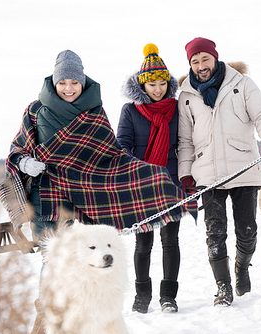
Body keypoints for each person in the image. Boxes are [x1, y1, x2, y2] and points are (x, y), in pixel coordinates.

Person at [0, 50, 196, 333]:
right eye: (63, 82)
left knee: (84, 265)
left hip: (85, 201)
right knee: (52, 262)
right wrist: (24, 162)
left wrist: (152, 179)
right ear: (54, 82)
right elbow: (16, 149)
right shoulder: (35, 110)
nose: (68, 88)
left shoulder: (94, 113)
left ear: (82, 82)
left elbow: (110, 157)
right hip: (47, 199)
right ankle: (44, 325)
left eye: (74, 83)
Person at [178, 37, 261, 307]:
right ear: (190, 64)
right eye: (195, 61)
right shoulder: (186, 96)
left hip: (243, 167)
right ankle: (223, 287)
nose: (201, 65)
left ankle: (241, 267)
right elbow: (185, 140)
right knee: (215, 234)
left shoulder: (241, 84)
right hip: (207, 173)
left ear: (215, 58)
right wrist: (186, 175)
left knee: (247, 231)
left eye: (205, 59)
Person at [117, 43, 182, 314]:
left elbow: (185, 142)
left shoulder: (178, 108)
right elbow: (122, 145)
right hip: (141, 186)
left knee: (170, 241)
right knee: (143, 244)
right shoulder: (130, 111)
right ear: (143, 85)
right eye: (152, 84)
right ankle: (141, 295)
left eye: (162, 83)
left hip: (170, 183)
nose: (158, 89)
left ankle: (168, 296)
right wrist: (137, 175)